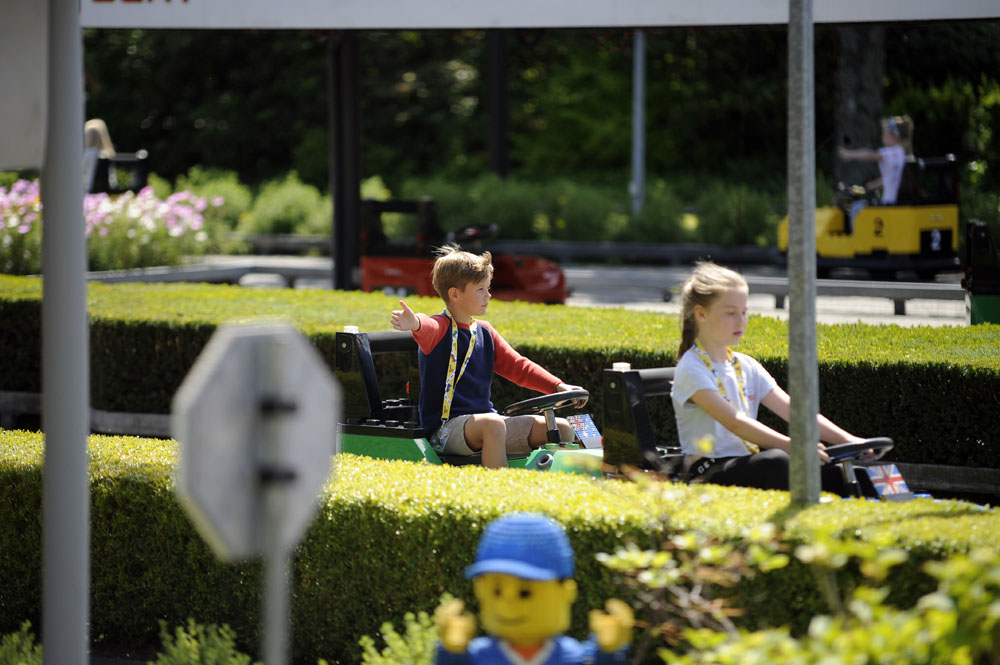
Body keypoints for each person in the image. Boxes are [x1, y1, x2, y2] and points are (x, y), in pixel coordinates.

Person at [670, 261, 868, 494]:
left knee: (853, 475)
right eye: (731, 313)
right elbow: (735, 422)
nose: (741, 320)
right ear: (701, 314)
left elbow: (796, 412)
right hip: (707, 470)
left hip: (744, 465)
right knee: (777, 462)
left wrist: (849, 440)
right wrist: (792, 446)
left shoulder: (746, 364)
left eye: (744, 312)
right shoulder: (691, 368)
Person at [390, 244, 586, 468]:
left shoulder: (484, 331)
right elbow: (425, 326)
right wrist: (414, 322)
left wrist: (559, 387)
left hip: (487, 423)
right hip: (446, 430)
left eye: (488, 288)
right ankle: (495, 493)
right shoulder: (440, 327)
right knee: (493, 425)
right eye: (481, 289)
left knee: (563, 428)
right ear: (454, 294)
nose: (489, 295)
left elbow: (519, 367)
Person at [434, 513, 632, 665]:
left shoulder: (568, 655)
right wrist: (452, 652)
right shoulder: (481, 655)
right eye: (497, 591)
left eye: (525, 592)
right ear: (481, 590)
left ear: (566, 592)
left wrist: (609, 652)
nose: (508, 602)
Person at [838, 114, 914, 230]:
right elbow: (891, 179)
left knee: (856, 209)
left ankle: (856, 243)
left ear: (894, 137)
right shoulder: (906, 156)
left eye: (884, 133)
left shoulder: (891, 153)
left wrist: (849, 155)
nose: (882, 137)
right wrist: (870, 187)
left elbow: (869, 155)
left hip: (888, 204)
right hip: (901, 205)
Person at [83, 118, 116, 193]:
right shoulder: (108, 155)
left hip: (89, 193)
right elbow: (112, 181)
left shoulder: (88, 154)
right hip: (106, 194)